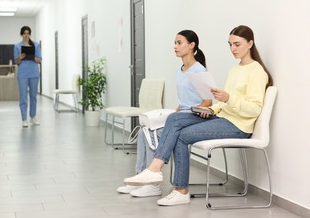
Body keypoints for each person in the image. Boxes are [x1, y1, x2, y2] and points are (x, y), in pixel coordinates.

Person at [123, 25, 273, 206]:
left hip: (239, 126)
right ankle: (167, 179)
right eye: (230, 45)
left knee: (181, 135)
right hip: (223, 117)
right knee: (174, 118)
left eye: (237, 44)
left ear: (250, 43)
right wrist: (212, 109)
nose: (233, 49)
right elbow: (224, 104)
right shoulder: (236, 69)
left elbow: (255, 109)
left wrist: (228, 98)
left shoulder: (257, 71)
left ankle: (172, 183)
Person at [117, 30, 212, 197]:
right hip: (181, 115)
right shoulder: (179, 69)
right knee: (143, 131)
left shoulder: (199, 70)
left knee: (153, 133)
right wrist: (171, 114)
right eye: (175, 43)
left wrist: (188, 112)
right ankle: (141, 177)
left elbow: (208, 102)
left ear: (191, 45)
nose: (175, 46)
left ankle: (152, 184)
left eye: (179, 42)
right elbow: (184, 101)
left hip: (194, 118)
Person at [14, 26, 42, 128]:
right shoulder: (17, 46)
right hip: (22, 74)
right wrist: (20, 58)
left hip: (34, 73)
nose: (26, 35)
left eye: (28, 33)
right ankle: (24, 119)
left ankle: (33, 116)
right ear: (22, 34)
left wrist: (32, 57)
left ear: (30, 34)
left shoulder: (36, 45)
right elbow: (16, 62)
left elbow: (39, 60)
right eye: (24, 33)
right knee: (23, 97)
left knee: (33, 96)